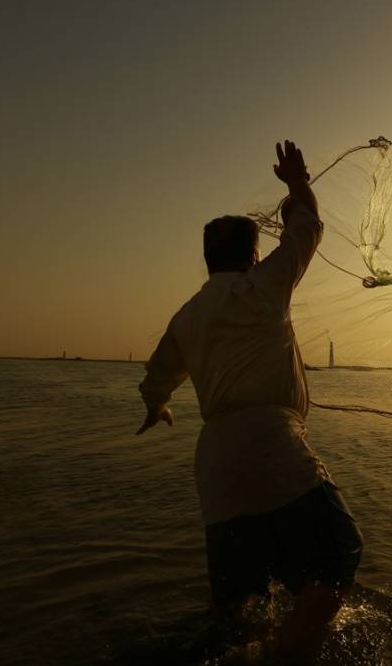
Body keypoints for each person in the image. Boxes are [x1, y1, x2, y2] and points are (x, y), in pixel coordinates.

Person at [135, 140, 363, 664]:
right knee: (337, 556)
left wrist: (156, 408)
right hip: (272, 442)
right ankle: (284, 658)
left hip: (213, 459)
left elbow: (156, 378)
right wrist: (298, 184)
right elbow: (307, 229)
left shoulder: (186, 315)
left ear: (208, 259)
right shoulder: (263, 286)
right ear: (254, 256)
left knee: (238, 599)